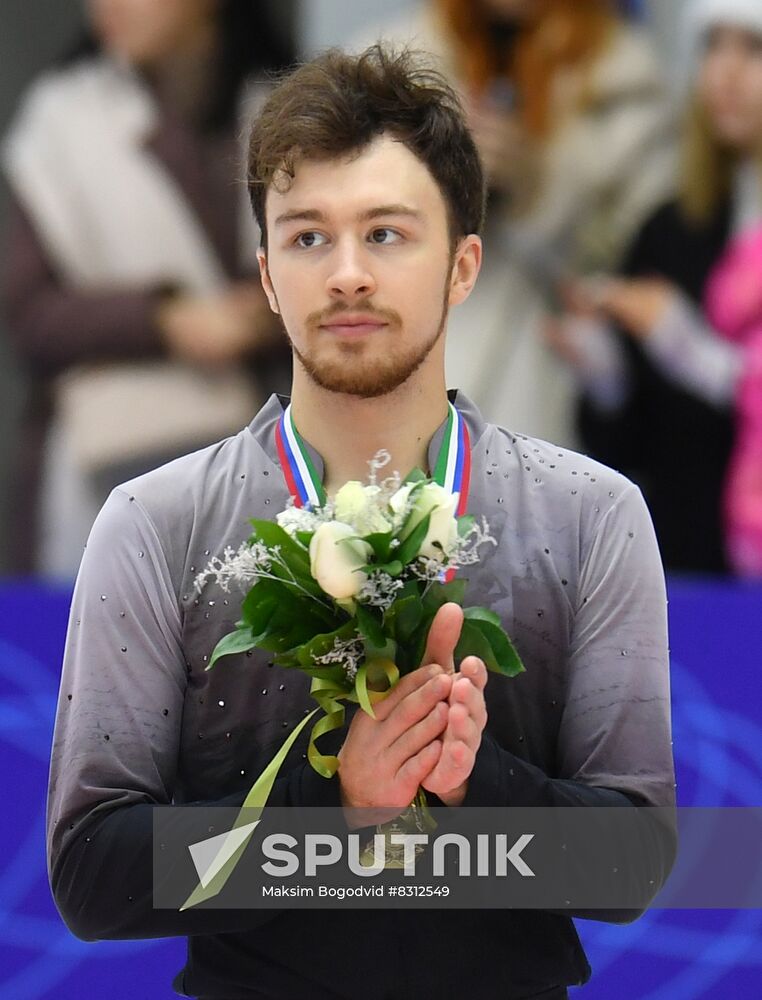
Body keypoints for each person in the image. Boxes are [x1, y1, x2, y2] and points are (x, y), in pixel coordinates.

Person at [47, 46, 676, 1000]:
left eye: (386, 234)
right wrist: (329, 805)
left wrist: (480, 788)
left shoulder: (590, 516)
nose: (345, 275)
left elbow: (634, 864)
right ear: (264, 275)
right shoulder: (155, 523)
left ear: (464, 265)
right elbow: (91, 875)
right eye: (307, 238)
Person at [1, 0, 294, 579]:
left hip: (270, 446)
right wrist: (165, 320)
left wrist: (263, 312)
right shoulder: (60, 120)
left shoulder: (284, 109)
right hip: (101, 465)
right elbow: (28, 311)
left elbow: (342, 256)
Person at [353, 0, 674, 448]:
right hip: (405, 366)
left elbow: (636, 269)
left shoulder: (624, 82)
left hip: (545, 384)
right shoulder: (386, 66)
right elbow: (343, 221)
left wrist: (538, 192)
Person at [549, 0, 762, 574]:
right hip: (687, 570)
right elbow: (632, 449)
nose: (726, 70)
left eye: (753, 47)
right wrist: (607, 375)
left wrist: (692, 351)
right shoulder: (673, 226)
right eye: (712, 45)